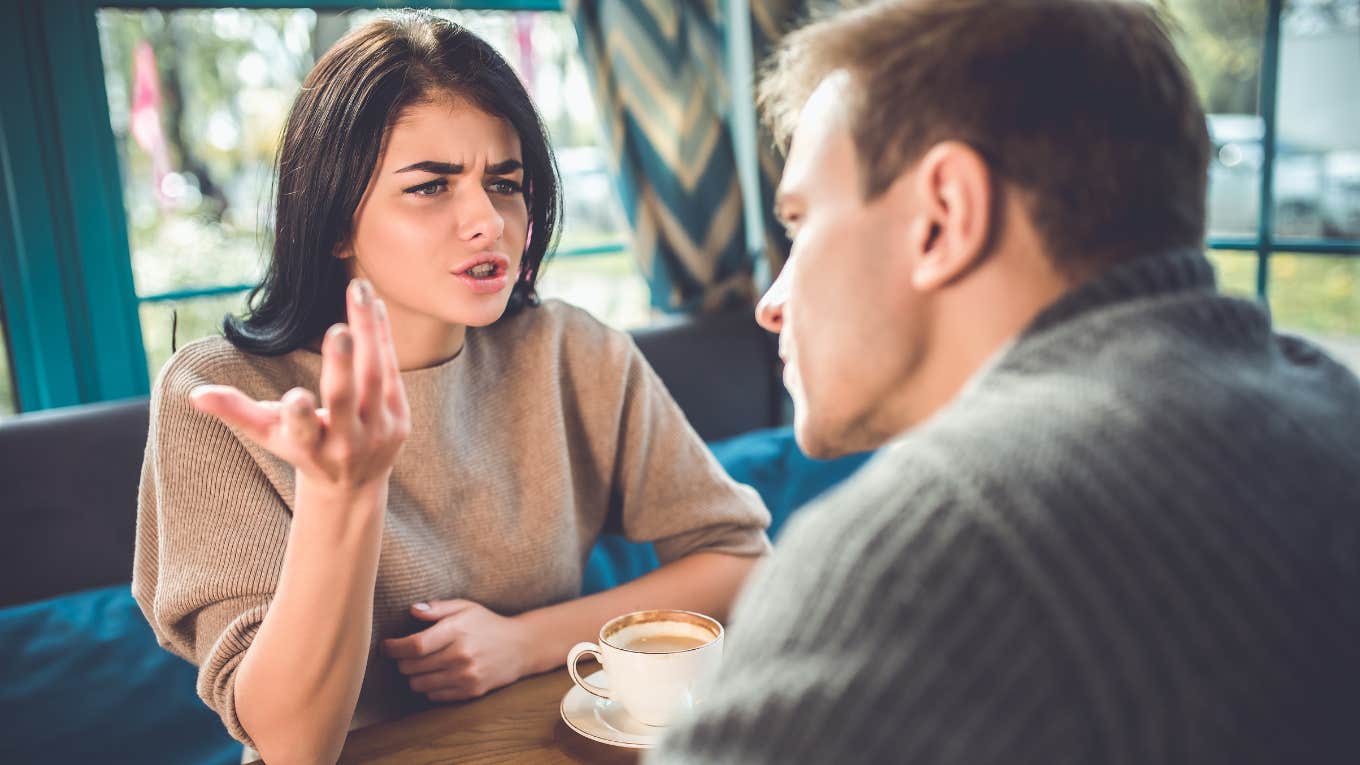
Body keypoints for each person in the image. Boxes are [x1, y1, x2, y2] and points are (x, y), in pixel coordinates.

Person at [652, 0, 1360, 762]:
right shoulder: (1326, 404)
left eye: (800, 224)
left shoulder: (942, 542)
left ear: (944, 216)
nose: (770, 302)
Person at [131, 12, 770, 764]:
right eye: (431, 187)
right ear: (336, 218)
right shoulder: (218, 393)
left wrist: (523, 642)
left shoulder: (572, 350)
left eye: (505, 184)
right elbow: (294, 742)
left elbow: (739, 559)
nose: (488, 222)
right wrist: (345, 491)